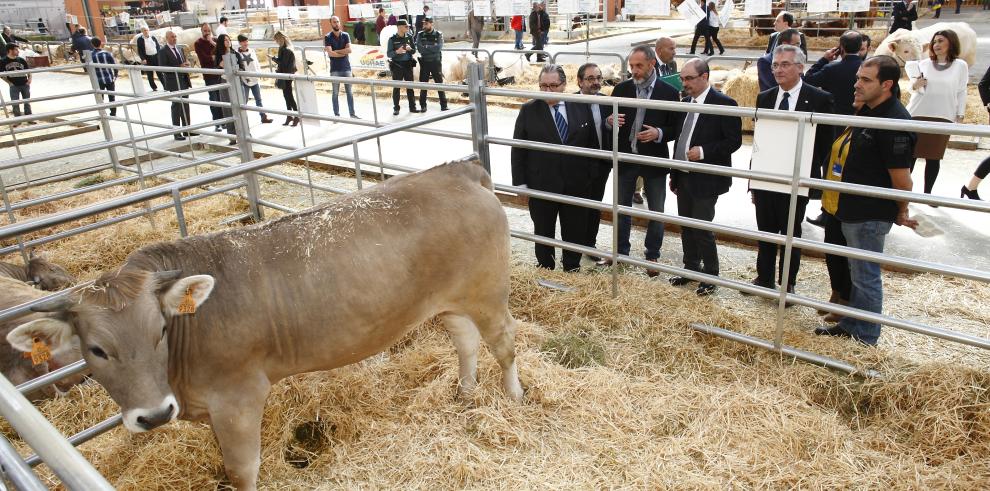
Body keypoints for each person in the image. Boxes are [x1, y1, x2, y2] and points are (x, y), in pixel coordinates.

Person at [815, 55, 918, 345]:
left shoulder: (894, 121)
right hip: (851, 208)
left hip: (870, 213)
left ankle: (868, 336)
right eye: (859, 77)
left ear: (887, 84)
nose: (857, 84)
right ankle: (852, 324)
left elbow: (901, 179)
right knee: (856, 273)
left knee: (866, 275)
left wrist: (902, 209)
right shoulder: (870, 111)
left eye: (865, 79)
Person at [746, 45, 835, 297]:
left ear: (800, 67)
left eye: (785, 64)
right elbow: (760, 142)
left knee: (790, 233)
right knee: (765, 231)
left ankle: (787, 282)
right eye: (775, 65)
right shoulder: (765, 97)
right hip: (766, 177)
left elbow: (825, 143)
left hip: (797, 179)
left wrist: (807, 175)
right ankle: (763, 279)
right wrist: (753, 180)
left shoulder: (819, 98)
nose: (778, 69)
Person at [511, 64, 599, 271]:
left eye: (553, 86)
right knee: (543, 229)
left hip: (576, 183)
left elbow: (592, 144)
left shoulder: (580, 104)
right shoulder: (529, 110)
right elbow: (518, 149)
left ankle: (571, 267)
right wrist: (520, 183)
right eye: (543, 86)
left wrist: (591, 177)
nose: (547, 91)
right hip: (542, 182)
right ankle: (545, 268)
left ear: (564, 85)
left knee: (575, 228)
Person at [601, 46, 681, 275]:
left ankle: (652, 256)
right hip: (626, 157)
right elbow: (609, 119)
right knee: (620, 207)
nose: (634, 71)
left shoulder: (668, 92)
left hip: (654, 159)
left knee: (656, 209)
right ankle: (620, 253)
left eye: (639, 66)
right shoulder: (621, 88)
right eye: (631, 66)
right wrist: (610, 121)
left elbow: (675, 127)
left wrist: (659, 133)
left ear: (652, 64)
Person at [668, 58, 742, 296]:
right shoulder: (685, 102)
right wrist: (675, 173)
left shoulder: (725, 103)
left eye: (689, 78)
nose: (684, 83)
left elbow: (734, 141)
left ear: (705, 77)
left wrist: (704, 151)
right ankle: (690, 268)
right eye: (682, 78)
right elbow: (680, 138)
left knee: (701, 227)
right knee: (686, 226)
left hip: (706, 177)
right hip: (684, 175)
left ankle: (710, 275)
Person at [905, 29, 968, 196]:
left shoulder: (960, 66)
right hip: (917, 114)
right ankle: (903, 192)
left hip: (943, 116)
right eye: (934, 41)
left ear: (951, 43)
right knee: (911, 156)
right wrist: (915, 85)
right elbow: (912, 89)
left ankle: (927, 194)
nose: (936, 44)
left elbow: (961, 91)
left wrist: (960, 115)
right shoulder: (923, 64)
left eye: (940, 41)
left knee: (934, 158)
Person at [575, 62, 610, 260]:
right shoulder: (569, 102)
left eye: (598, 78)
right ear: (579, 81)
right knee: (577, 206)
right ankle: (574, 244)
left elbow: (608, 130)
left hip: (601, 163)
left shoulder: (607, 102)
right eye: (590, 79)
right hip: (578, 165)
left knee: (595, 205)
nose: (596, 82)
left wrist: (609, 125)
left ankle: (590, 245)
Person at [159, 31, 191, 140]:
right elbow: (163, 68)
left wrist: (185, 65)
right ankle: (177, 132)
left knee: (185, 104)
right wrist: (179, 66)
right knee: (176, 106)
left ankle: (187, 129)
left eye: (175, 36)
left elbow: (182, 62)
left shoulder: (179, 49)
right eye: (172, 37)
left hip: (183, 80)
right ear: (167, 38)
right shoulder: (163, 51)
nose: (174, 38)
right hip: (173, 81)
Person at [194, 23, 226, 131]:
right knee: (214, 98)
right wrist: (214, 58)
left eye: (208, 31)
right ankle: (217, 122)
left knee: (222, 98)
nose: (207, 33)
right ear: (201, 31)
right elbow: (204, 59)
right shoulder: (198, 43)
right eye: (205, 31)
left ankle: (224, 121)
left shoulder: (215, 41)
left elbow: (222, 52)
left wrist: (213, 43)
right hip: (209, 75)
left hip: (220, 73)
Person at [325, 16, 358, 119]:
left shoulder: (346, 35)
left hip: (346, 68)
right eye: (334, 22)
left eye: (338, 22)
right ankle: (336, 114)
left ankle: (352, 114)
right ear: (331, 23)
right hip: (335, 69)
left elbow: (349, 50)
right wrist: (342, 52)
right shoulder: (328, 37)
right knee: (335, 93)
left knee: (350, 92)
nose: (336, 24)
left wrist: (337, 51)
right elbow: (330, 54)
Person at [235, 35, 273, 124]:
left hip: (254, 78)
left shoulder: (252, 51)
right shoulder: (237, 54)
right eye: (244, 42)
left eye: (247, 41)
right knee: (244, 100)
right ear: (240, 43)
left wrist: (259, 73)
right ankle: (242, 119)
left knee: (258, 99)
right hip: (245, 80)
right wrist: (243, 77)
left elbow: (256, 63)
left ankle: (263, 116)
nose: (246, 43)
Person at [415, 17, 448, 112]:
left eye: (426, 24)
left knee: (439, 84)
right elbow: (420, 49)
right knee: (423, 85)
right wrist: (431, 47)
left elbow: (438, 47)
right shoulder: (420, 34)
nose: (424, 26)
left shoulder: (438, 34)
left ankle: (443, 105)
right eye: (423, 24)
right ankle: (423, 105)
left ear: (431, 24)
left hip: (435, 62)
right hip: (424, 62)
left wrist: (426, 47)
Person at [387, 19, 418, 116]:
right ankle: (396, 108)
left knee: (410, 87)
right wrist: (397, 52)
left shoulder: (409, 37)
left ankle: (412, 107)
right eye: (406, 26)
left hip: (408, 65)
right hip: (397, 66)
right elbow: (389, 54)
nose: (408, 28)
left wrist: (410, 49)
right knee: (397, 88)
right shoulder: (392, 39)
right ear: (400, 27)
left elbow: (414, 51)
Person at [211, 34, 237, 144]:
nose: (228, 42)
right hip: (224, 81)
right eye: (225, 40)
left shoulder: (234, 53)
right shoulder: (218, 55)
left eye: (229, 39)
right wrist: (220, 65)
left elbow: (241, 65)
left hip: (235, 82)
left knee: (238, 108)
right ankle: (232, 135)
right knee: (227, 108)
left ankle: (243, 132)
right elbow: (214, 70)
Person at [273, 32, 299, 127]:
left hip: (286, 75)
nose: (276, 42)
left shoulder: (285, 49)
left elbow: (283, 63)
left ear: (281, 39)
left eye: (277, 40)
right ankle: (290, 115)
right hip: (287, 74)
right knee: (287, 95)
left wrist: (274, 59)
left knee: (289, 96)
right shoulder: (286, 48)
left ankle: (295, 115)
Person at [1, 44, 31, 122]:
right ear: (10, 50)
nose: (18, 51)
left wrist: (29, 79)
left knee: (27, 102)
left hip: (25, 84)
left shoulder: (21, 60)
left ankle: (30, 118)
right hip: (14, 85)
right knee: (15, 103)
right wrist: (9, 83)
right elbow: (1, 74)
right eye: (16, 49)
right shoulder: (3, 61)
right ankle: (17, 120)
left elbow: (29, 70)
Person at [90, 38, 119, 117]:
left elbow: (89, 69)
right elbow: (114, 65)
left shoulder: (91, 55)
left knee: (100, 97)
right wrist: (115, 75)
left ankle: (102, 113)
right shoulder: (107, 53)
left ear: (92, 44)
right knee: (111, 97)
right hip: (109, 78)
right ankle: (113, 113)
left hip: (98, 80)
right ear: (100, 43)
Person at [136, 26, 162, 91]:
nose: (146, 31)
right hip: (148, 58)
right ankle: (154, 87)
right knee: (150, 74)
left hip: (155, 56)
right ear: (142, 31)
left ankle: (165, 85)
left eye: (147, 30)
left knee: (160, 72)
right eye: (144, 30)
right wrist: (143, 59)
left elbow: (158, 46)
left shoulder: (152, 37)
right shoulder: (140, 39)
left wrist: (159, 55)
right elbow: (140, 51)